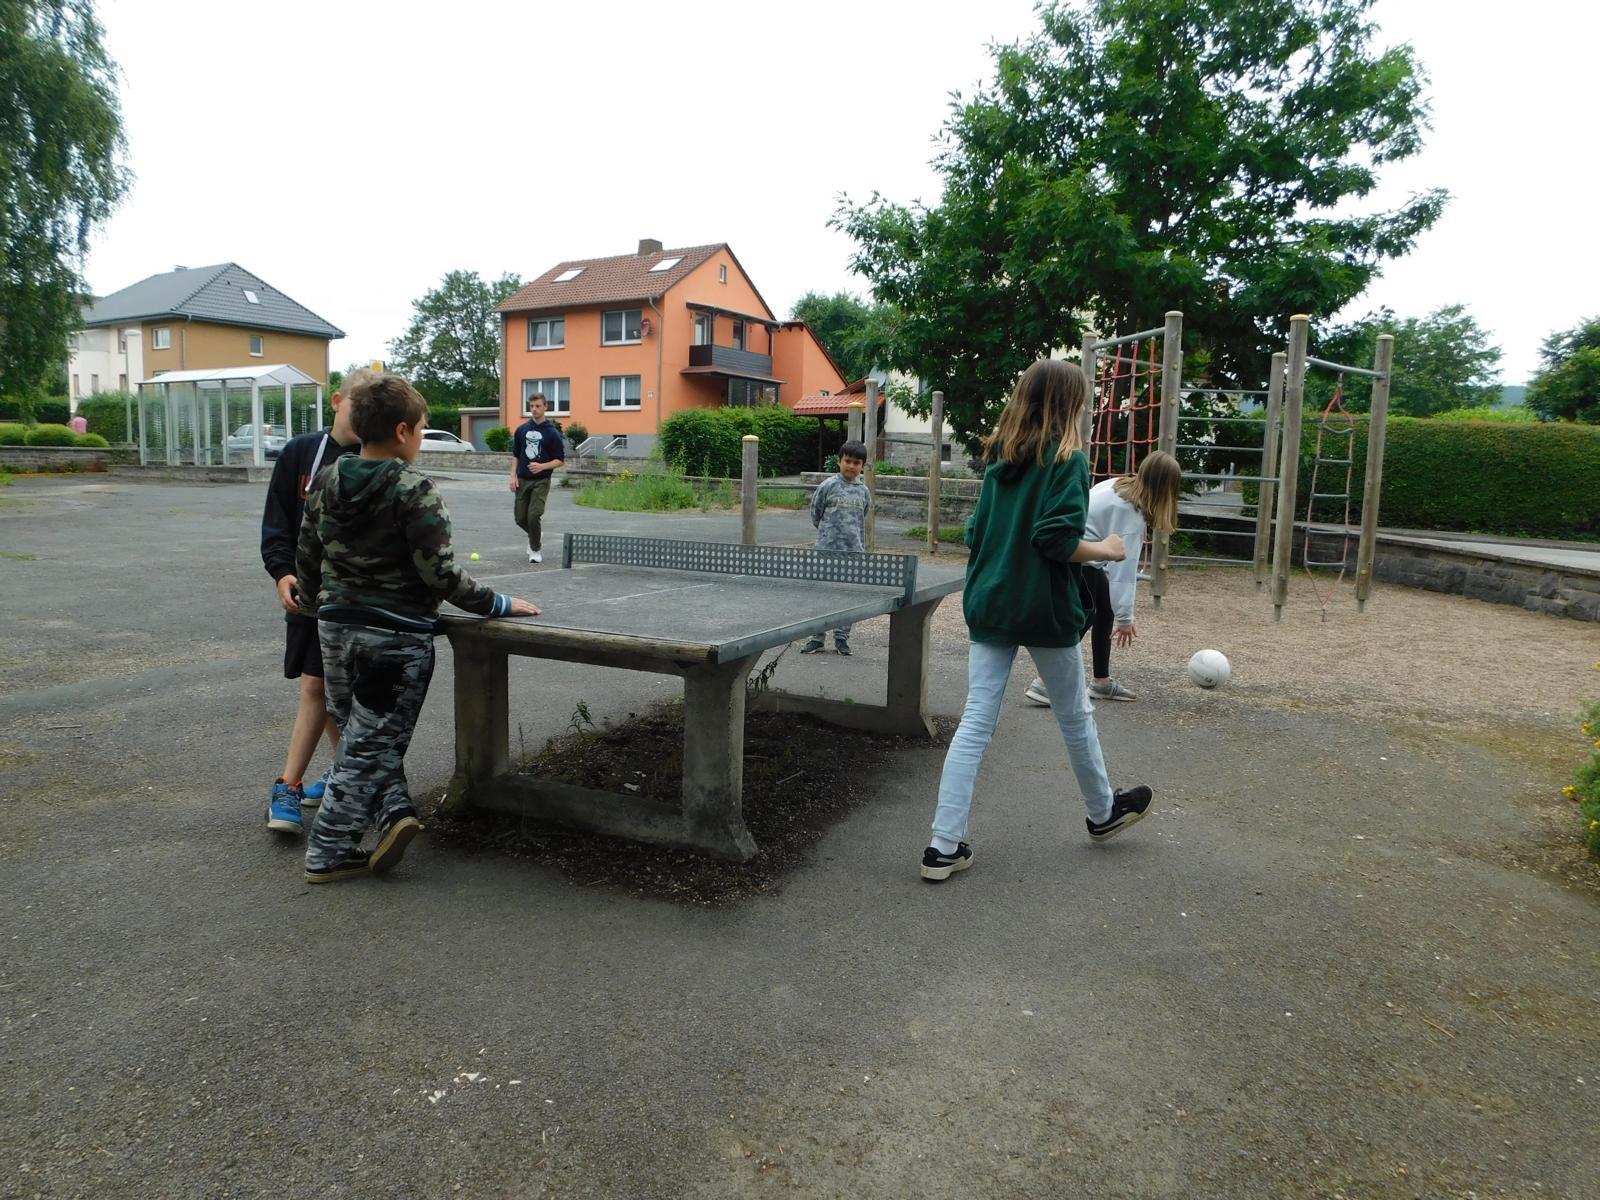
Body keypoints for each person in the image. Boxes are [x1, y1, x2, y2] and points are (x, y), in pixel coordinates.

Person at [294, 373, 540, 884]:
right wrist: (496, 603)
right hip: (395, 638)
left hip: (335, 630)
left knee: (362, 736)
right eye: (423, 428)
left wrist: (319, 606)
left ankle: (394, 815)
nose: (423, 438)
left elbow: (307, 558)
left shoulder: (326, 480)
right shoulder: (414, 489)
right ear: (402, 431)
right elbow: (441, 574)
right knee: (370, 747)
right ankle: (328, 851)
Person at [921, 359, 1153, 882]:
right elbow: (1055, 540)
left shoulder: (999, 461)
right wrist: (1108, 549)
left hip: (991, 602)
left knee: (976, 721)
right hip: (1042, 607)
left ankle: (942, 845)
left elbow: (974, 533)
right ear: (1070, 404)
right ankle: (1102, 812)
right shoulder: (1068, 462)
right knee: (1074, 715)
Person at [259, 367, 373, 836]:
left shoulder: (376, 459)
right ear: (337, 401)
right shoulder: (300, 453)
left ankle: (298, 782)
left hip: (354, 600)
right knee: (319, 688)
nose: (364, 417)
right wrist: (282, 573)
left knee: (324, 689)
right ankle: (326, 777)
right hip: (309, 596)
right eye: (358, 405)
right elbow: (276, 524)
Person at [1022, 450, 1182, 706]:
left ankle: (1101, 682)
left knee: (1104, 609)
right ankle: (1043, 682)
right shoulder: (1131, 515)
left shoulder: (1118, 485)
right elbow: (1123, 574)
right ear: (1167, 489)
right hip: (1079, 556)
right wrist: (1126, 619)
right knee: (1084, 617)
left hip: (1078, 550)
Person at [801, 440, 871, 656]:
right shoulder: (828, 486)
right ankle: (817, 638)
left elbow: (864, 515)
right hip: (826, 551)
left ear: (862, 466)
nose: (851, 466)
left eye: (856, 463)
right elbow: (816, 513)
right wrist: (827, 535)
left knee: (847, 595)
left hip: (853, 553)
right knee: (821, 593)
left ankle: (842, 638)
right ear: (839, 461)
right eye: (847, 461)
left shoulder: (863, 491)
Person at [509, 393, 565, 564]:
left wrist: (542, 466)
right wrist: (513, 477)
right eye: (531, 406)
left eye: (538, 406)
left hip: (541, 480)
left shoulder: (552, 433)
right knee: (520, 518)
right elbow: (516, 455)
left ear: (545, 407)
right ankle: (536, 534)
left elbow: (560, 460)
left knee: (533, 515)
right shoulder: (521, 430)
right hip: (522, 479)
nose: (534, 409)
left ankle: (535, 549)